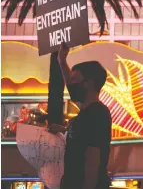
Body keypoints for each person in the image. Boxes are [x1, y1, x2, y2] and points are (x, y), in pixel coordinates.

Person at [49, 44, 112, 189]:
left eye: (75, 79)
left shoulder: (97, 113)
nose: (71, 85)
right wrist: (62, 61)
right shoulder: (85, 113)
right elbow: (81, 138)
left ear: (89, 83)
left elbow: (92, 160)